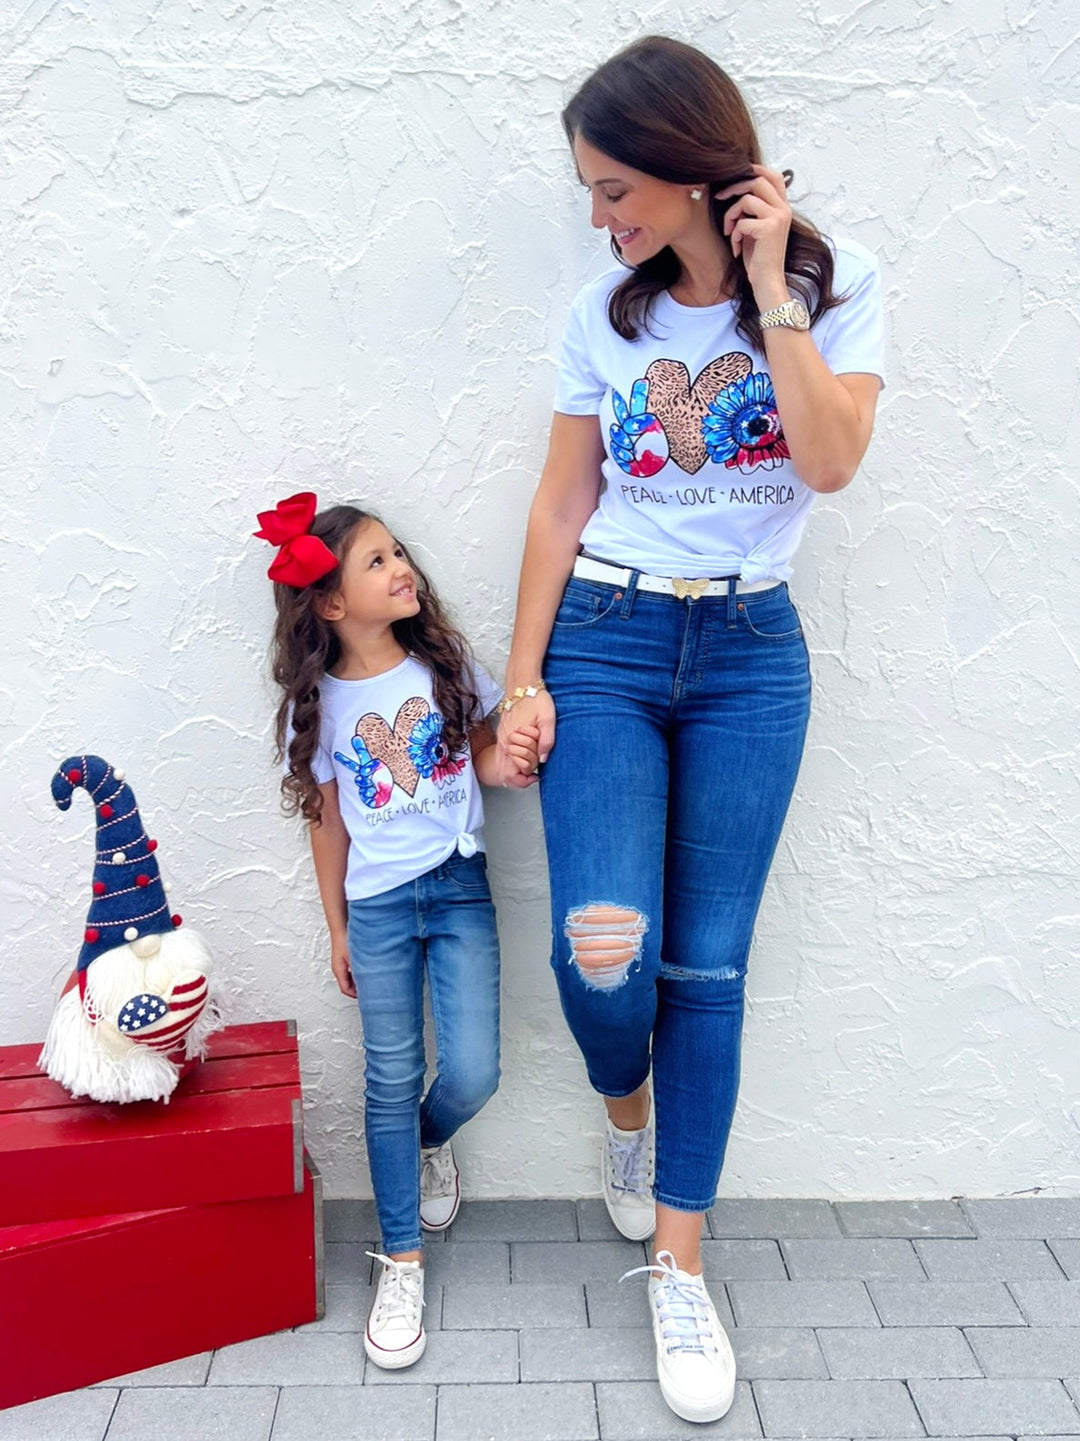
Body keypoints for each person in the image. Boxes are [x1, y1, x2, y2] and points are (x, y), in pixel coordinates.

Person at [497, 36, 885, 1424]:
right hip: (605, 642)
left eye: (615, 190)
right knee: (604, 955)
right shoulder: (604, 316)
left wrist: (772, 292)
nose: (602, 218)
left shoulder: (838, 288)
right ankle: (627, 1110)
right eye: (591, 194)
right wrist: (523, 681)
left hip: (749, 658)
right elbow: (562, 501)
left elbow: (828, 462)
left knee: (707, 969)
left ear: (685, 167)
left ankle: (679, 1260)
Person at [259, 490, 538, 1371]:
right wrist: (337, 926)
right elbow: (327, 822)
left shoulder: (443, 663)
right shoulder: (322, 704)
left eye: (398, 552)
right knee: (388, 1077)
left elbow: (483, 754)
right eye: (375, 561)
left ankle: (425, 1139)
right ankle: (401, 1261)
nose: (400, 568)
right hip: (378, 907)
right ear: (330, 603)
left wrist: (510, 765)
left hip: (458, 888)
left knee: (474, 1070)